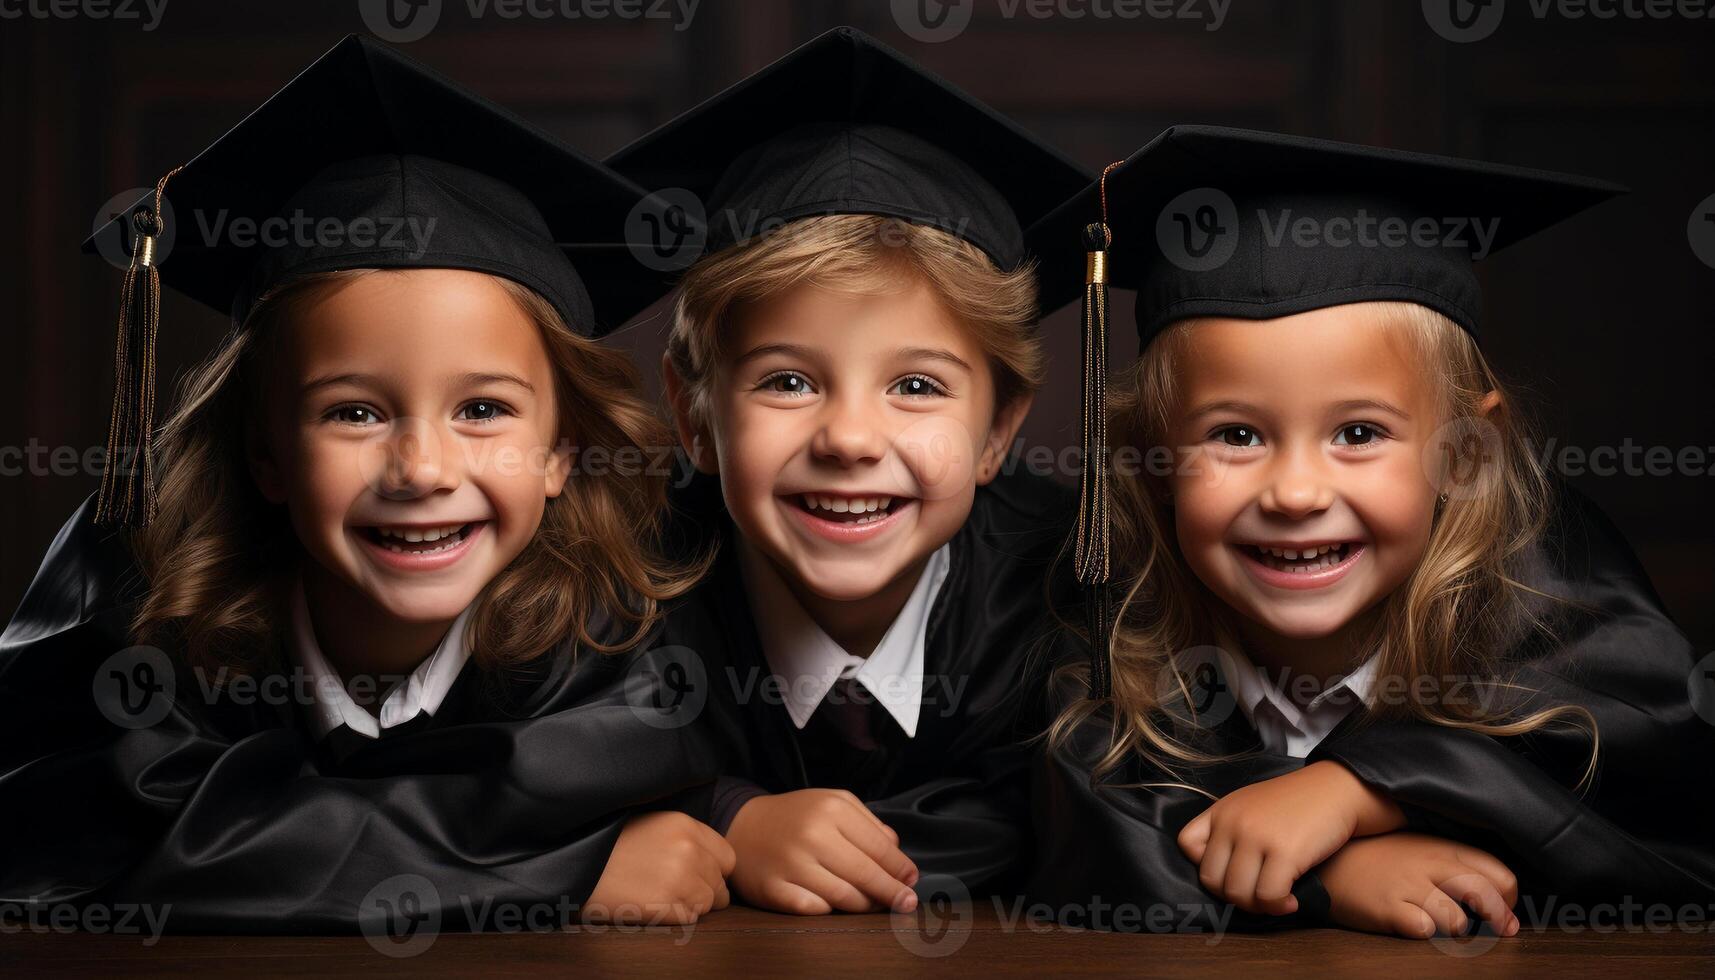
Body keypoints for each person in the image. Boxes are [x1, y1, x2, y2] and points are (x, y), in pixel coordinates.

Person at [0, 36, 734, 933]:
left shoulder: (609, 633)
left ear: (563, 452)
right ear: (264, 454)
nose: (422, 469)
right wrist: (561, 875)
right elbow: (67, 839)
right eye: (353, 414)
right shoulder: (140, 596)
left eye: (483, 410)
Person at [1027, 125, 1715, 937]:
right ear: (1151, 461)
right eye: (1235, 435)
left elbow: (1660, 819)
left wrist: (1365, 788)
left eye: (1358, 433)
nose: (1293, 493)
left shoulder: (1553, 599)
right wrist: (1328, 872)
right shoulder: (1122, 622)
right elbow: (1079, 830)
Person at [608, 27, 1091, 914]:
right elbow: (524, 776)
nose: (850, 439)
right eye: (787, 381)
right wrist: (729, 820)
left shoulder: (1067, 594)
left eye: (915, 385)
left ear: (999, 431)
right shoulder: (624, 590)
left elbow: (1084, 818)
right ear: (694, 414)